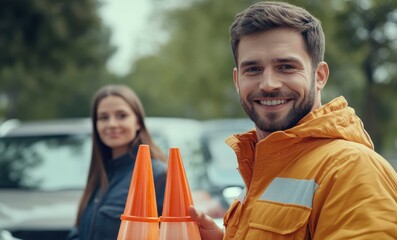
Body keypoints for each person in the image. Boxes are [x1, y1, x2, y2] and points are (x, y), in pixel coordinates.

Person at [189, 1, 397, 239]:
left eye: (286, 67)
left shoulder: (350, 170)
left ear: (319, 76)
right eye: (253, 69)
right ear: (237, 80)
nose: (268, 84)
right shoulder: (262, 163)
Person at [66, 84, 167, 240]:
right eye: (103, 117)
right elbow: (78, 232)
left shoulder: (158, 175)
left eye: (121, 115)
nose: (112, 124)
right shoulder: (99, 173)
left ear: (138, 122)